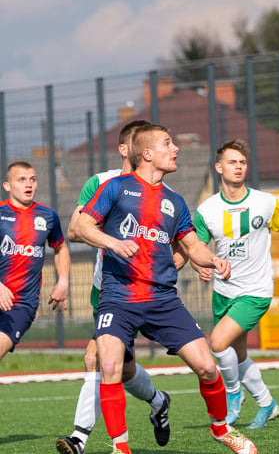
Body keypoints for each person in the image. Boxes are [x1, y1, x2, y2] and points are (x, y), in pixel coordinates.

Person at [75, 124, 256, 454]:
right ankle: (121, 448)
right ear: (147, 154)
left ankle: (220, 428)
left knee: (206, 366)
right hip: (119, 295)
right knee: (111, 366)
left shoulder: (174, 200)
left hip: (162, 299)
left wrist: (212, 260)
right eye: (167, 144)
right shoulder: (116, 188)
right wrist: (113, 243)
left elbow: (191, 246)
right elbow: (81, 225)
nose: (175, 149)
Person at [56, 120, 173, 454]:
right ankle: (82, 437)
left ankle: (154, 401)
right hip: (109, 289)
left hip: (146, 290)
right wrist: (110, 230)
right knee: (102, 361)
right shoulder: (103, 182)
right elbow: (76, 230)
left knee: (117, 367)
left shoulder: (163, 191)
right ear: (127, 149)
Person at [193, 139, 279, 428]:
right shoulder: (206, 210)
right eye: (232, 162)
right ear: (218, 167)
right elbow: (196, 249)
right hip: (223, 292)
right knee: (237, 356)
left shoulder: (265, 202)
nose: (238, 167)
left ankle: (233, 395)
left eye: (242, 162)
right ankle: (267, 403)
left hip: (256, 291)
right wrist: (200, 265)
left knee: (217, 343)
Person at [0, 162, 70, 361]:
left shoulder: (48, 216)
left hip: (21, 304)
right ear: (7, 186)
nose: (28, 184)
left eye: (32, 179)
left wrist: (63, 280)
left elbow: (61, 248)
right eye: (21, 180)